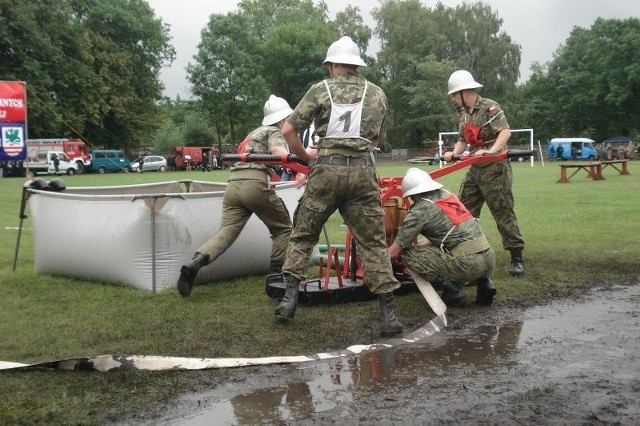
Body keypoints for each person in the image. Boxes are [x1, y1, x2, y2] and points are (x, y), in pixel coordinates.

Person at [276, 35, 403, 337]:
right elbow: (374, 142)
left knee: (304, 232)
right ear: (357, 65)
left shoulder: (320, 89)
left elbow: (288, 129)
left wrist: (306, 156)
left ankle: (289, 298)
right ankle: (387, 314)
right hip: (362, 173)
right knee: (372, 242)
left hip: (326, 171)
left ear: (333, 65)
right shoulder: (378, 94)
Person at [176, 95, 294, 297]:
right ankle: (275, 277)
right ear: (283, 119)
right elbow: (278, 152)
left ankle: (195, 262)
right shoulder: (275, 131)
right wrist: (295, 159)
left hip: (233, 186)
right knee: (283, 229)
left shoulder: (252, 133)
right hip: (254, 184)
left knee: (226, 233)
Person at [442, 70, 525, 277]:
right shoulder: (465, 114)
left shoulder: (490, 107)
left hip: (495, 170)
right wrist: (454, 153)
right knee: (462, 210)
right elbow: (463, 139)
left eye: (454, 95)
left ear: (465, 92)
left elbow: (505, 132)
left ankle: (516, 255)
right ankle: (464, 250)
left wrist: (491, 151)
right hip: (476, 169)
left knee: (502, 212)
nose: (453, 99)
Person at [388, 168, 496, 307]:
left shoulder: (420, 210)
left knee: (406, 253)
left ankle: (452, 290)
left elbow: (394, 252)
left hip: (467, 265)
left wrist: (374, 261)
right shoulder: (447, 196)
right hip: (489, 258)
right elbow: (445, 236)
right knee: (463, 247)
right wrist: (419, 245)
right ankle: (485, 283)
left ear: (413, 195)